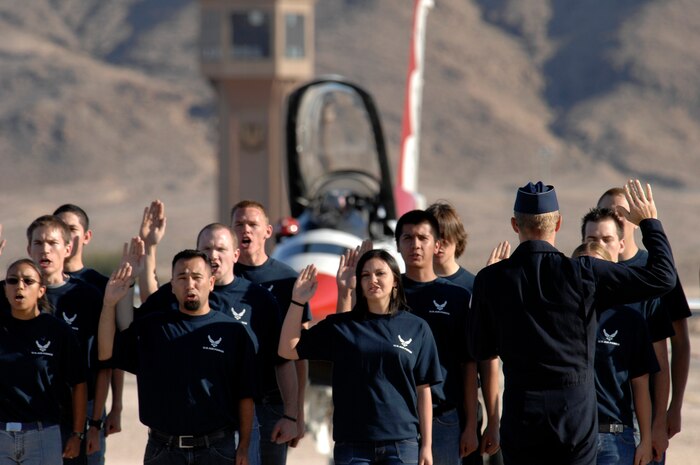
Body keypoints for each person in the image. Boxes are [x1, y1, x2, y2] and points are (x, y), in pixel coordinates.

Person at [468, 180, 676, 465]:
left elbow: (481, 349)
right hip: (575, 416)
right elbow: (663, 277)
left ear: (516, 225)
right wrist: (649, 222)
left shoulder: (491, 279)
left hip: (522, 414)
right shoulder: (583, 273)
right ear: (558, 224)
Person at [135, 223, 298, 465]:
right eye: (207, 248)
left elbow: (283, 360)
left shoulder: (259, 300)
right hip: (187, 426)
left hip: (247, 414)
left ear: (235, 255)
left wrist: (293, 415)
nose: (213, 254)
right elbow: (149, 311)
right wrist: (150, 248)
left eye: (220, 248)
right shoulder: (179, 293)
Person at [278, 250, 443, 465]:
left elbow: (423, 389)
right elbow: (287, 350)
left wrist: (427, 446)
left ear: (395, 280)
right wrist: (297, 302)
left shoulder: (417, 327)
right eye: (365, 275)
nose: (372, 280)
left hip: (401, 444)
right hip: (353, 445)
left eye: (380, 273)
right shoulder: (341, 326)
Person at [98, 250, 256, 465]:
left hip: (217, 451)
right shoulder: (151, 328)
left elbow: (245, 394)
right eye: (182, 278)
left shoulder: (232, 332)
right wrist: (109, 304)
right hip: (163, 451)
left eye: (197, 277)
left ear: (211, 282)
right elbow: (106, 353)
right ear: (172, 285)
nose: (189, 284)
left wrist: (245, 445)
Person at [598, 187, 691, 463]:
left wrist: (670, 411)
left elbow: (679, 344)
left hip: (646, 418)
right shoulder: (589, 271)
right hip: (604, 421)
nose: (614, 217)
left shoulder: (656, 271)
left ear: (636, 218)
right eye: (606, 211)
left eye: (621, 212)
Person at [394, 209, 478, 465]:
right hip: (397, 419)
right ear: (397, 245)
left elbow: (469, 365)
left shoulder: (457, 297)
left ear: (436, 244)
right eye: (407, 238)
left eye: (423, 237)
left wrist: (471, 426)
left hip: (445, 418)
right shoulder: (388, 295)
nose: (415, 245)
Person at [20, 215, 105, 465]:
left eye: (52, 243)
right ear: (28, 249)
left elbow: (103, 363)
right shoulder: (12, 294)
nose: (45, 249)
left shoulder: (86, 296)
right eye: (38, 243)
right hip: (20, 423)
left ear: (67, 249)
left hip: (71, 420)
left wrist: (94, 425)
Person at [231, 200, 309, 461]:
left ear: (267, 231)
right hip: (227, 405)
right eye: (239, 224)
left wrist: (296, 413)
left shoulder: (288, 280)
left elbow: (299, 354)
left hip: (273, 404)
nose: (246, 230)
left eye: (253, 224)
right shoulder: (220, 280)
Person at [426, 202, 501, 464]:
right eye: (432, 239)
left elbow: (487, 361)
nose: (438, 247)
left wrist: (493, 421)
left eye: (444, 239)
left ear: (458, 241)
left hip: (461, 411)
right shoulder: (408, 288)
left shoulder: (472, 288)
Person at [572, 242, 657, 465]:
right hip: (572, 438)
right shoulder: (561, 319)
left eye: (597, 269)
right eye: (580, 269)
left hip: (616, 439)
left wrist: (646, 440)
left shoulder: (629, 320)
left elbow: (641, 385)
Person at [53, 204, 125, 465]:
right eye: (60, 229)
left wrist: (116, 408)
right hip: (46, 406)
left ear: (86, 236)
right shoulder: (35, 286)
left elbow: (112, 354)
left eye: (72, 229)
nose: (66, 236)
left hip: (91, 404)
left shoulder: (100, 286)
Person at [1, 259, 87, 464]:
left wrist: (77, 434)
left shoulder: (58, 332)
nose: (19, 286)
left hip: (43, 435)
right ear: (5, 289)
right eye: (12, 281)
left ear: (41, 290)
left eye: (28, 281)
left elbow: (79, 383)